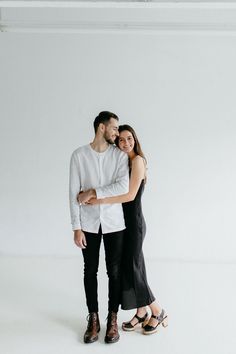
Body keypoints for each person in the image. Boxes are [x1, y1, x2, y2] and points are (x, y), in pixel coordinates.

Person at [86, 124, 168, 335]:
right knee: (130, 267)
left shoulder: (138, 161)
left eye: (128, 138)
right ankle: (141, 312)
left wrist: (98, 200)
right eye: (121, 140)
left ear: (135, 138)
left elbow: (130, 196)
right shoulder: (123, 161)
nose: (125, 143)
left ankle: (157, 311)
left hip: (134, 223)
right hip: (122, 224)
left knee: (133, 268)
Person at [69, 112, 129, 344]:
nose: (117, 133)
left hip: (115, 222)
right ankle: (93, 319)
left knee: (113, 272)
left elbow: (122, 186)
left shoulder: (119, 155)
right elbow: (73, 193)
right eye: (114, 128)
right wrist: (76, 226)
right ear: (101, 128)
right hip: (88, 223)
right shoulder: (79, 155)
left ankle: (112, 318)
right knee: (90, 270)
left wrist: (93, 192)